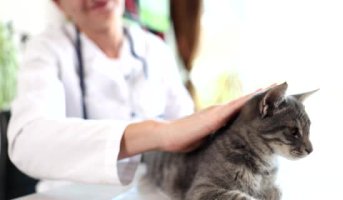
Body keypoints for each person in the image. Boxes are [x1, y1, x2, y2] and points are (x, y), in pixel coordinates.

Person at [7, 0, 255, 191]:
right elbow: (26, 142)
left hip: (152, 189)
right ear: (58, 3)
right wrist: (159, 134)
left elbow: (189, 128)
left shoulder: (154, 49)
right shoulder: (47, 48)